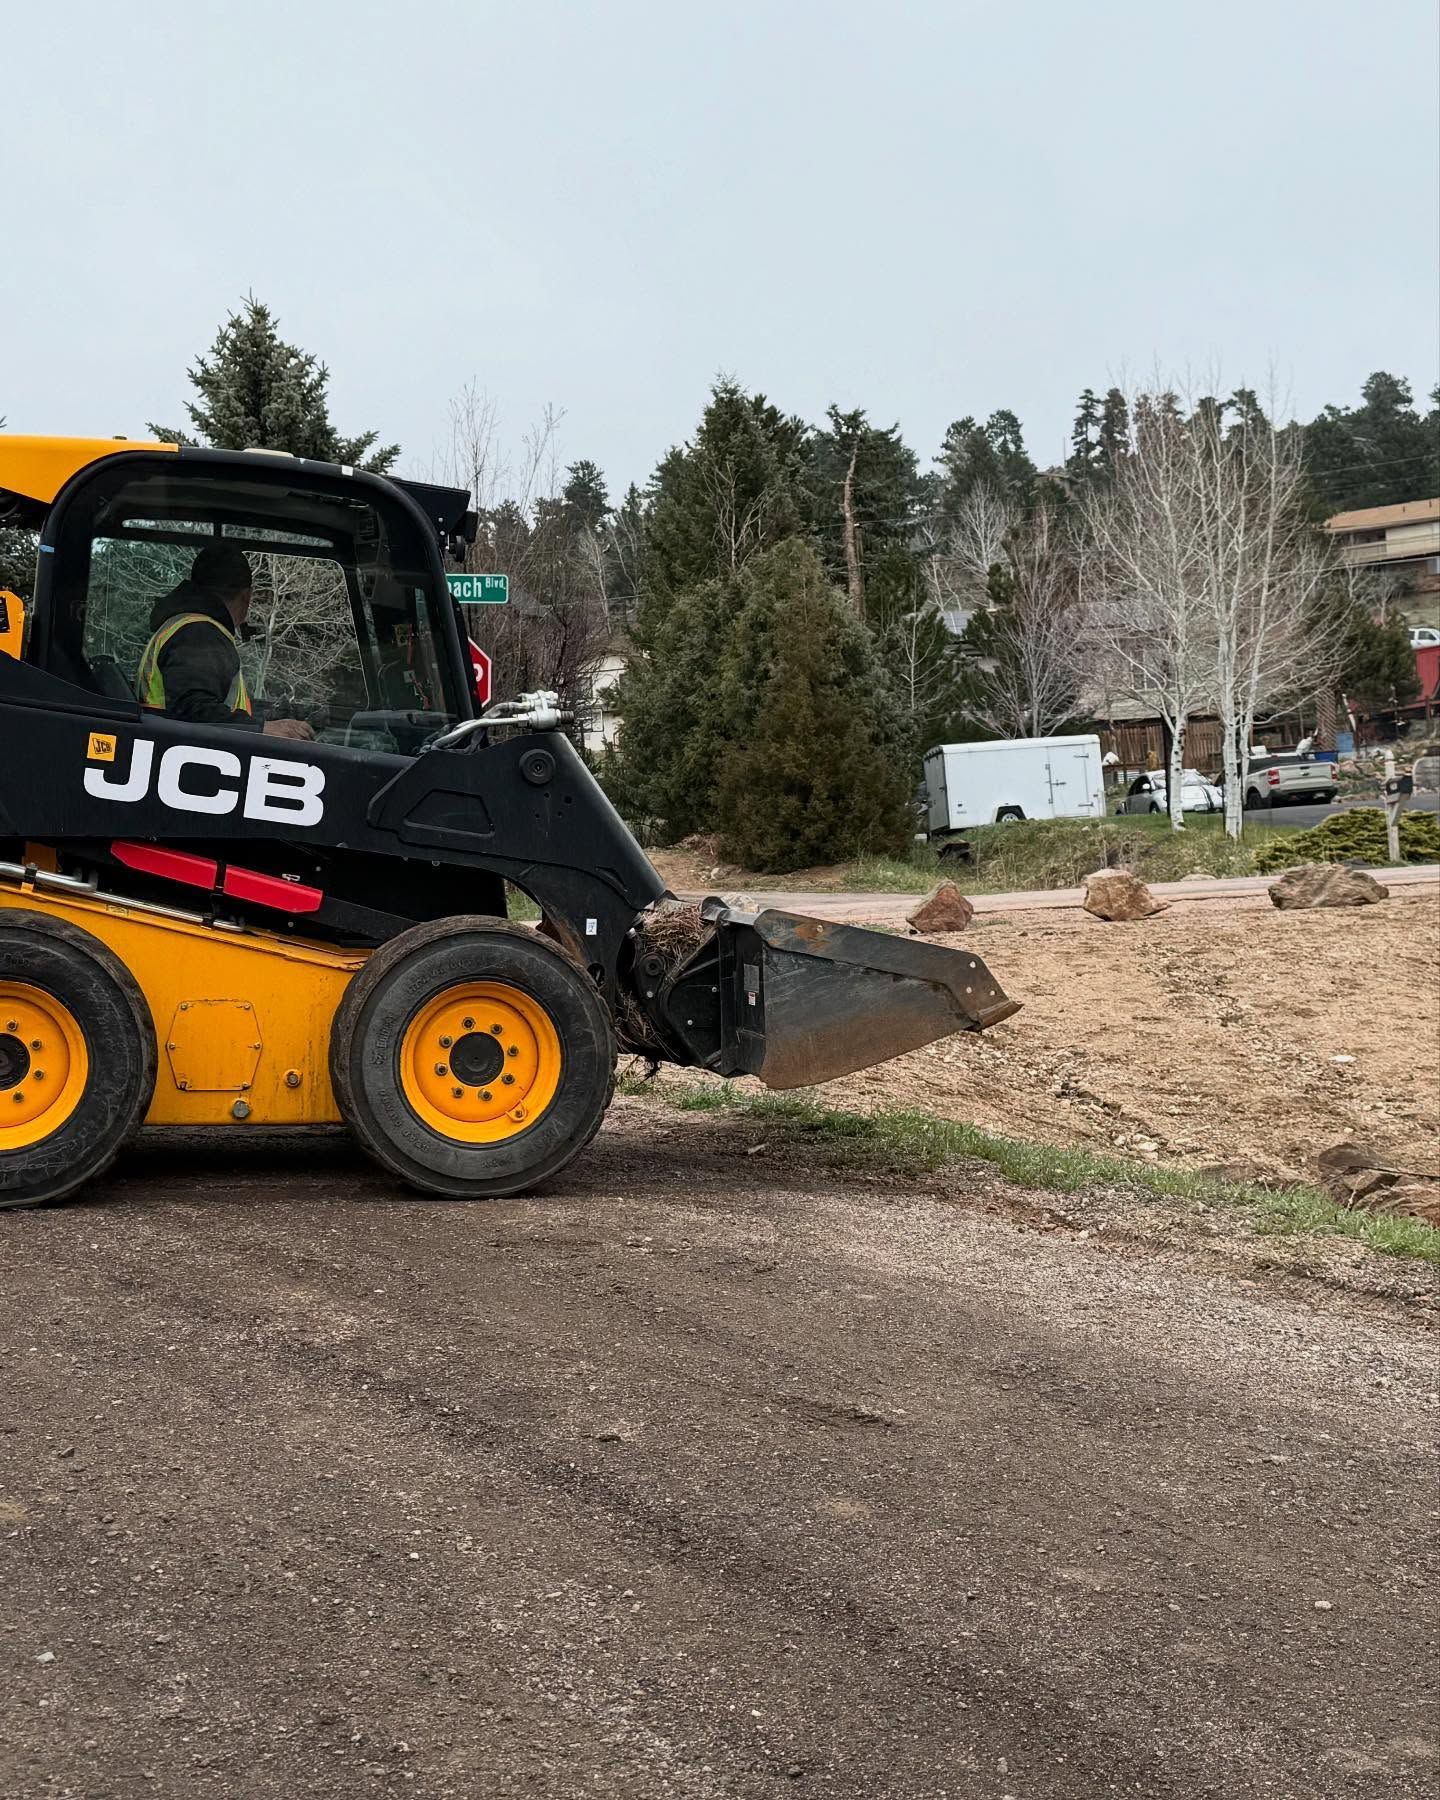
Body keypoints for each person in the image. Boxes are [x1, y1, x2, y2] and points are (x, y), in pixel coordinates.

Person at [135, 544, 312, 739]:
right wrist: (261, 729)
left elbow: (211, 704)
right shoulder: (200, 633)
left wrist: (267, 718)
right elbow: (194, 710)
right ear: (246, 596)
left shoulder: (184, 625)